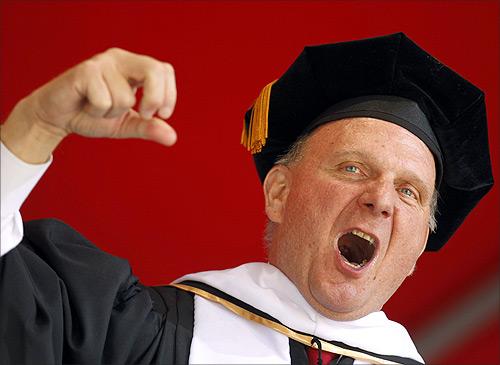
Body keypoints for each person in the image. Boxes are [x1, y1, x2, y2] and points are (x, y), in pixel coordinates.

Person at [0, 33, 493, 364]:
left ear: (414, 251)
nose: (381, 200)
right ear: (279, 193)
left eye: (409, 192)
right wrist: (32, 128)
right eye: (352, 167)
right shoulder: (137, 333)